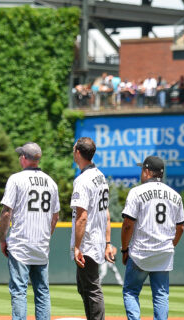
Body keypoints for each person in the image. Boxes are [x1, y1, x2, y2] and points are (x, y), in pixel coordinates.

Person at [0, 142, 60, 320]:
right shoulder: (51, 182)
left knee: (19, 291)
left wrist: (3, 238)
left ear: (24, 158)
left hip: (20, 244)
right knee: (42, 292)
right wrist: (46, 236)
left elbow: (6, 212)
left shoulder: (16, 179)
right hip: (41, 245)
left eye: (21, 155)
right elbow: (55, 216)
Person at [120, 156, 184, 320]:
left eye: (142, 169)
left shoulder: (136, 192)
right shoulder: (175, 195)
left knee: (131, 291)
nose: (141, 172)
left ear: (147, 172)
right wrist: (171, 246)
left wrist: (124, 249)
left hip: (140, 252)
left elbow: (128, 224)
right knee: (161, 295)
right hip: (163, 253)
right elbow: (180, 227)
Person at [71, 137, 112, 320]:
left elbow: (82, 216)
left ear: (78, 152)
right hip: (97, 237)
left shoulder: (83, 180)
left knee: (92, 288)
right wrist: (108, 241)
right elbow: (106, 212)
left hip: (88, 240)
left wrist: (77, 246)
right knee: (84, 286)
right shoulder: (100, 176)